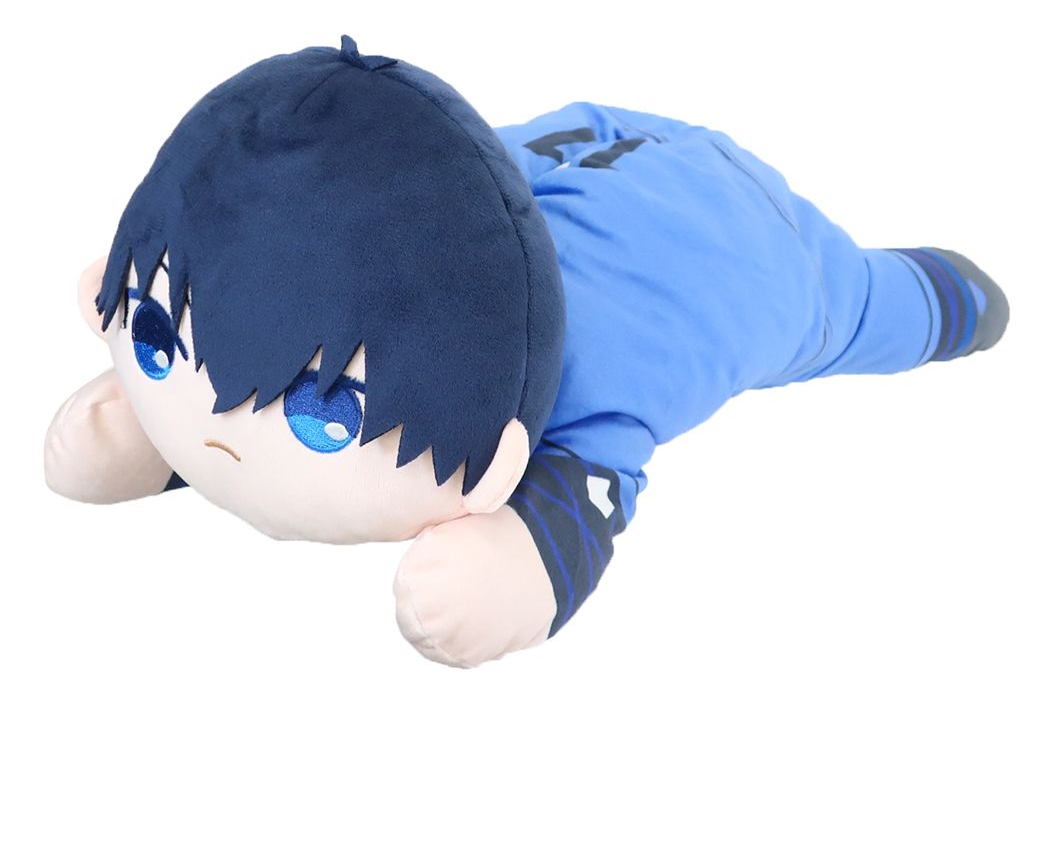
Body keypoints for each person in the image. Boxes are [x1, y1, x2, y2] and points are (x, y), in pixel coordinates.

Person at [44, 36, 1009, 667]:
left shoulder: (600, 381)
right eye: (158, 340)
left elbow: (587, 489)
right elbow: (257, 305)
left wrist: (525, 557)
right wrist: (164, 428)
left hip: (741, 239)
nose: (217, 431)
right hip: (575, 149)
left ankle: (948, 300)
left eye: (328, 415)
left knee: (859, 301)